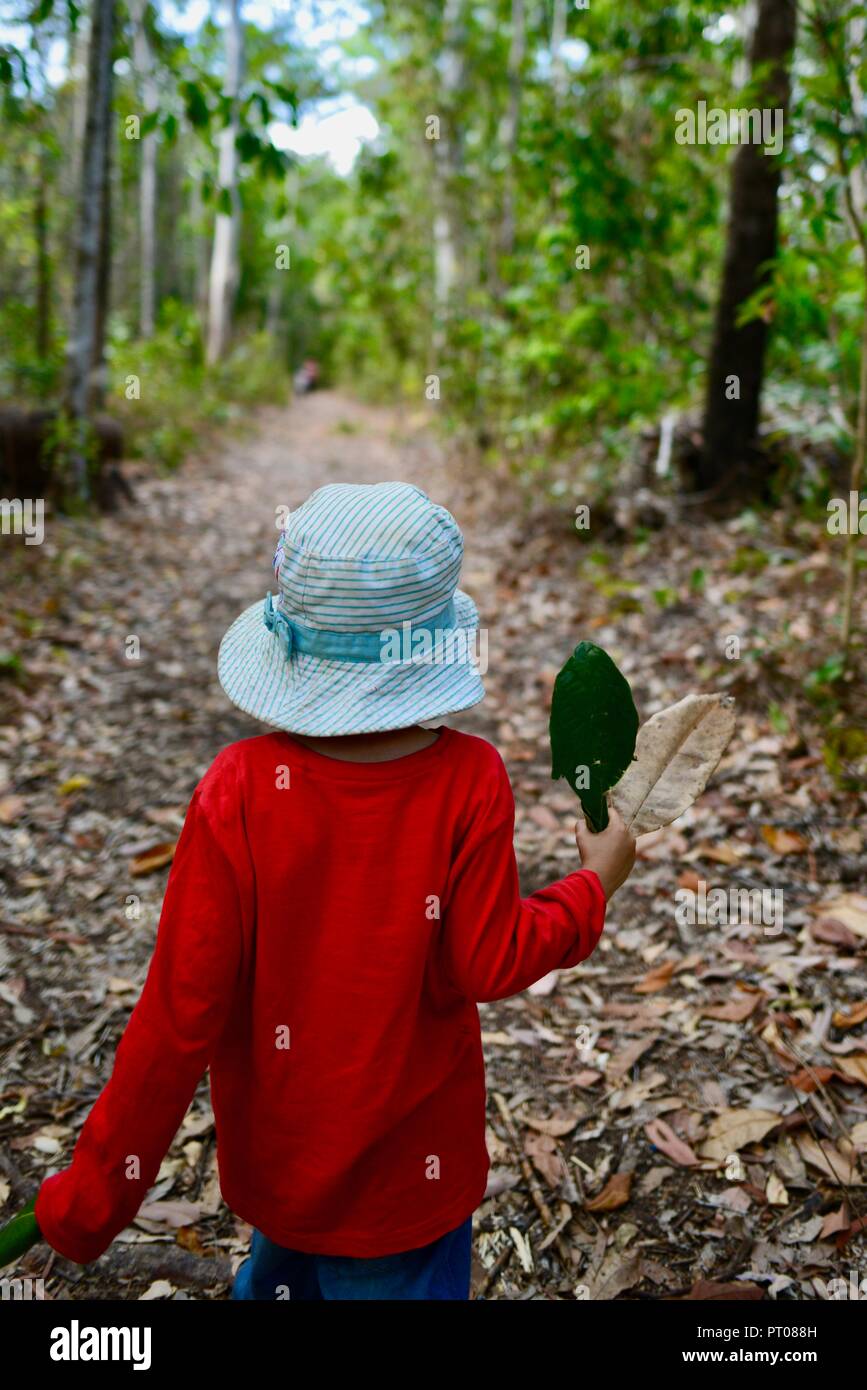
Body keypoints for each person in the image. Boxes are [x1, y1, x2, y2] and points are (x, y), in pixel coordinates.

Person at [33, 481, 636, 1299]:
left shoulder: (238, 788)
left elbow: (178, 1013)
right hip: (409, 1188)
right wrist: (591, 885)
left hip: (279, 1172)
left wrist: (94, 1199)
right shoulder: (469, 781)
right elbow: (491, 961)